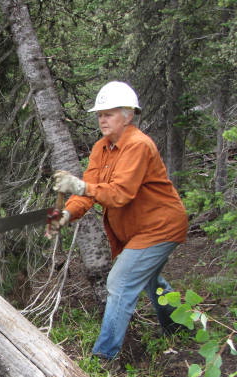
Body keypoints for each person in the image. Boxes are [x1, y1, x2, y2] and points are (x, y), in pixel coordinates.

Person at [47, 81, 188, 361]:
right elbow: (89, 191)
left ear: (128, 115)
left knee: (120, 283)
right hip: (138, 231)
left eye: (109, 113)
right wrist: (67, 214)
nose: (102, 119)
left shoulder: (138, 145)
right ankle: (180, 328)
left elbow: (120, 194)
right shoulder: (102, 148)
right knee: (148, 280)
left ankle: (103, 357)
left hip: (160, 227)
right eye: (100, 114)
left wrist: (80, 187)